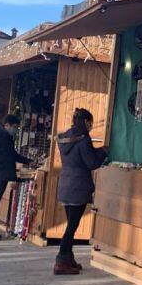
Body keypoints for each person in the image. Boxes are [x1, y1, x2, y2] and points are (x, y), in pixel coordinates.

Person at [54, 108, 108, 275]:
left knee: (71, 223)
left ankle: (69, 258)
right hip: (78, 186)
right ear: (85, 122)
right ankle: (61, 259)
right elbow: (91, 162)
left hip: (65, 184)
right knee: (72, 226)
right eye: (90, 122)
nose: (91, 126)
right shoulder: (83, 140)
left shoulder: (65, 138)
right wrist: (103, 151)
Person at [0, 115, 32, 239]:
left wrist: (28, 161)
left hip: (1, 174)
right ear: (7, 125)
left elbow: (12, 154)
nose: (15, 129)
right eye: (14, 127)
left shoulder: (5, 136)